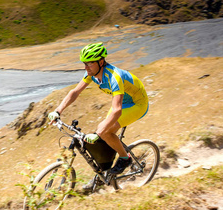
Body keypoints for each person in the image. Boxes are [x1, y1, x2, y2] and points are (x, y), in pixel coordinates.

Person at [48, 42, 149, 190]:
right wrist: (58, 110)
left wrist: (98, 132)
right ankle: (104, 172)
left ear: (101, 62)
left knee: (103, 131)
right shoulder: (91, 73)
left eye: (89, 64)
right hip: (122, 104)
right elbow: (75, 92)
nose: (85, 67)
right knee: (101, 135)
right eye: (84, 64)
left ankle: (125, 159)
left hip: (137, 104)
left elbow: (117, 110)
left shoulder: (115, 77)